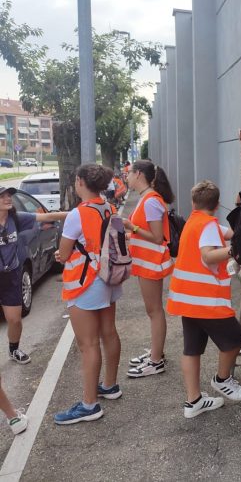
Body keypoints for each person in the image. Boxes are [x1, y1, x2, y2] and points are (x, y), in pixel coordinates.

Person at [166, 180, 241, 418]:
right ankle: (222, 379)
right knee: (236, 338)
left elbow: (230, 232)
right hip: (206, 301)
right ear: (217, 204)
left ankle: (193, 402)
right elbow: (209, 255)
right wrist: (234, 250)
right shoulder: (209, 225)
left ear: (194, 203)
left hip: (187, 299)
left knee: (192, 349)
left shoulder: (195, 222)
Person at [53, 165, 123, 425]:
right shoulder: (108, 207)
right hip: (109, 277)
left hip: (86, 282)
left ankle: (89, 405)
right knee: (109, 332)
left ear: (80, 182)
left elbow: (64, 250)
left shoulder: (77, 214)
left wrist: (61, 255)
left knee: (88, 344)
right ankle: (110, 385)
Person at [0, 185, 68, 364]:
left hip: (11, 276)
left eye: (9, 196)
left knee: (15, 320)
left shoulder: (16, 218)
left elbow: (48, 216)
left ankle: (14, 349)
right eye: (2, 196)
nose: (8, 199)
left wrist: (78, 213)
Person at [122, 160, 174, 378]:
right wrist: (130, 233)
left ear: (139, 174)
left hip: (151, 263)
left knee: (154, 311)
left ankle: (156, 360)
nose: (127, 176)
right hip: (146, 262)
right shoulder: (148, 198)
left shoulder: (151, 200)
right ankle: (156, 353)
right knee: (153, 310)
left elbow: (156, 236)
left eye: (129, 173)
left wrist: (130, 227)